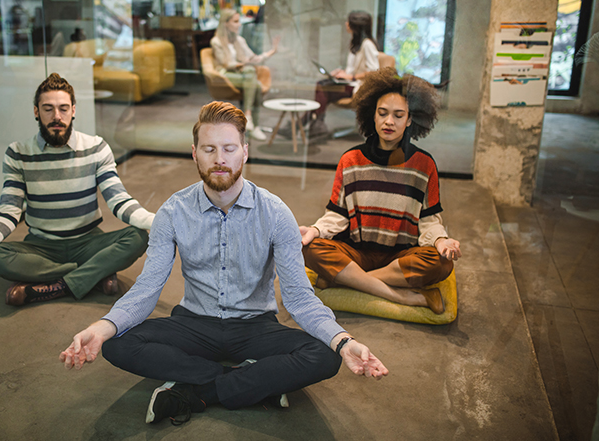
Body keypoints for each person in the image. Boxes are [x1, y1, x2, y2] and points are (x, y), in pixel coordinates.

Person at [60, 101, 388, 425]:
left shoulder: (275, 213)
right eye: (209, 149)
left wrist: (344, 341)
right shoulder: (172, 212)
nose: (220, 160)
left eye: (229, 148)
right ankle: (253, 380)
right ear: (194, 153)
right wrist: (100, 327)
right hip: (194, 323)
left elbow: (300, 297)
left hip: (255, 326)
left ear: (244, 151)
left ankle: (197, 391)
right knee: (117, 343)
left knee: (326, 355)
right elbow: (147, 288)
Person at [0, 73, 153, 306]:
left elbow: (118, 200)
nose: (57, 117)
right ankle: (93, 274)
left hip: (88, 241)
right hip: (41, 246)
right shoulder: (18, 153)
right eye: (48, 109)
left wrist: (157, 221)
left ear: (73, 110)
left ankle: (56, 286)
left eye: (63, 109)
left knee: (138, 236)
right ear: (36, 111)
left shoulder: (96, 147)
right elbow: (8, 211)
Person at [300, 68, 461, 314]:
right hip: (357, 251)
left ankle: (350, 280)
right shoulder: (351, 160)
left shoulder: (424, 165)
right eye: (382, 113)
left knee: (440, 264)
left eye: (398, 115)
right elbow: (338, 214)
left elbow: (429, 220)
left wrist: (441, 241)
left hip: (400, 256)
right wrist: (315, 229)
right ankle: (406, 297)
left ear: (410, 120)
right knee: (309, 248)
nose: (389, 122)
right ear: (372, 115)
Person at [297, 11, 380, 139]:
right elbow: (352, 69)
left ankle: (304, 125)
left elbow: (375, 72)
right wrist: (341, 73)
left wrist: (351, 77)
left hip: (359, 87)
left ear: (355, 25)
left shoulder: (368, 45)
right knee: (322, 90)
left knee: (322, 89)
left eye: (349, 22)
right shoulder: (356, 43)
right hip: (350, 82)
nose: (346, 24)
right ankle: (313, 124)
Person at [211, 9, 279, 141]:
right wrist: (243, 64)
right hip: (225, 76)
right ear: (225, 23)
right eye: (235, 21)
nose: (239, 24)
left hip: (243, 76)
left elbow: (254, 58)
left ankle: (250, 120)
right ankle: (253, 123)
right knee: (251, 74)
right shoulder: (216, 42)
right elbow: (226, 64)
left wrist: (272, 51)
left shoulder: (239, 40)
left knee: (254, 81)